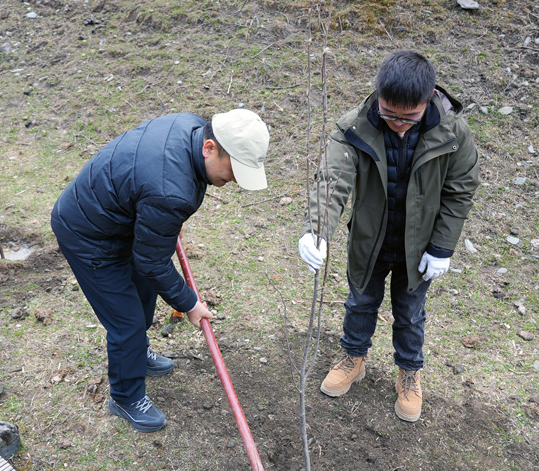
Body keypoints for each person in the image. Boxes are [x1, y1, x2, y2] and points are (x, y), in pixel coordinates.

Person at [51, 109, 269, 432]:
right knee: (126, 320)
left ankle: (135, 354)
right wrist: (190, 303)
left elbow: (152, 219)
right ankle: (125, 397)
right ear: (209, 148)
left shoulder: (190, 126)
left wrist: (164, 222)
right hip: (87, 233)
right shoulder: (171, 190)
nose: (236, 180)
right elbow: (152, 262)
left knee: (145, 291)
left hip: (119, 218)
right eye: (234, 169)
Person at [299, 50, 479, 422]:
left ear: (428, 98)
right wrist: (317, 230)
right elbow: (332, 179)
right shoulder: (355, 126)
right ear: (379, 95)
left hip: (420, 246)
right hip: (370, 239)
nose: (397, 123)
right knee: (360, 302)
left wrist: (442, 247)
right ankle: (353, 358)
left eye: (408, 117)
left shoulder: (454, 132)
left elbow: (460, 191)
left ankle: (409, 373)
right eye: (389, 113)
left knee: (410, 314)